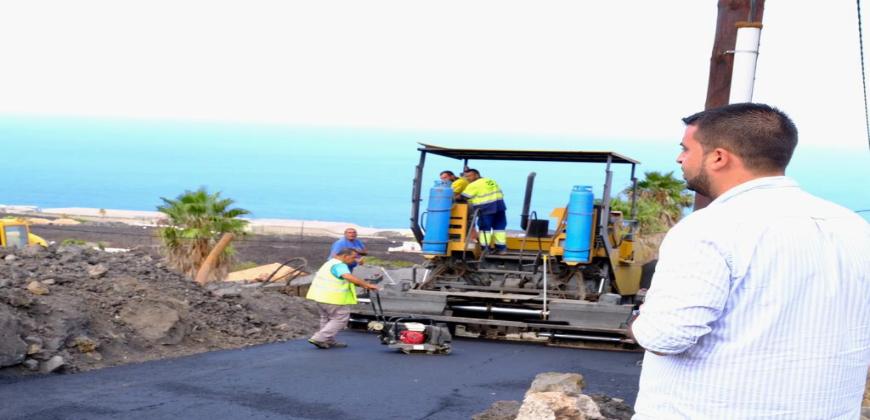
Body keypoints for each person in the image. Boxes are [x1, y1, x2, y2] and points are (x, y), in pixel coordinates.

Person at [629, 103, 870, 419]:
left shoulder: (708, 228)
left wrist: (638, 322)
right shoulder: (853, 227)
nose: (679, 158)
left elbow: (667, 336)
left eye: (686, 149)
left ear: (718, 157)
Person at [306, 248, 379, 349]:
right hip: (333, 299)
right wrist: (366, 284)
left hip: (320, 297)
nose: (354, 260)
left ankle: (327, 340)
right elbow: (347, 276)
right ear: (345, 256)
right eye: (353, 257)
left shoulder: (329, 263)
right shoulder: (340, 265)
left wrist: (362, 285)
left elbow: (339, 279)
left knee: (326, 318)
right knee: (340, 319)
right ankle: (320, 338)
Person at [461, 168, 508, 253]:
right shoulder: (490, 180)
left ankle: (485, 249)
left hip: (486, 209)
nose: (467, 178)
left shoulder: (474, 185)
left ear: (477, 175)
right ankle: (501, 249)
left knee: (484, 229)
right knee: (499, 229)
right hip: (500, 207)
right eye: (466, 177)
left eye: (469, 176)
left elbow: (464, 197)